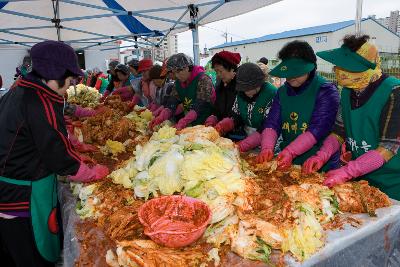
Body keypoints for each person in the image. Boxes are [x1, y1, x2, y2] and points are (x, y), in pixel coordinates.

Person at [0, 40, 109, 267]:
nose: (69, 87)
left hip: (9, 188)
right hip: (22, 195)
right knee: (32, 257)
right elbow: (58, 157)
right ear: (54, 73)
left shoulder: (20, 90)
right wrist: (92, 172)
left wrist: (74, 148)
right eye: (69, 80)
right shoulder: (39, 100)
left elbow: (42, 135)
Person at [312, 35, 400, 200]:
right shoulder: (347, 91)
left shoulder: (394, 92)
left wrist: (347, 171)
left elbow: (388, 148)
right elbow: (339, 131)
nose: (342, 72)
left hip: (393, 183)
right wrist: (322, 154)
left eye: (350, 68)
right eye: (340, 66)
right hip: (363, 178)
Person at [256, 40, 340, 171]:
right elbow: (272, 123)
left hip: (319, 164)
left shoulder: (326, 90)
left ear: (310, 68)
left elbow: (318, 129)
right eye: (287, 72)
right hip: (288, 162)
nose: (289, 77)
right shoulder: (282, 91)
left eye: (295, 72)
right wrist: (267, 147)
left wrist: (291, 151)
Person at [214, 62, 277, 152]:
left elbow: (268, 125)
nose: (246, 92)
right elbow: (236, 115)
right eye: (244, 89)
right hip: (249, 140)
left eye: (249, 88)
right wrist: (225, 124)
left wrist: (246, 144)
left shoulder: (271, 94)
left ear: (259, 84)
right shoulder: (241, 94)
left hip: (269, 145)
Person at [149, 53, 215, 130]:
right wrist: (161, 117)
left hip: (208, 123)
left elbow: (200, 105)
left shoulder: (203, 79)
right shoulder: (178, 83)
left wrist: (183, 121)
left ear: (187, 68)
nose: (176, 76)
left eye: (178, 72)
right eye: (174, 73)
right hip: (192, 123)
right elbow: (172, 102)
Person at [204, 51, 241, 132]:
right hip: (222, 131)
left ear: (232, 69)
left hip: (239, 133)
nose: (218, 75)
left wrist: (231, 121)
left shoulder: (241, 87)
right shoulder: (220, 86)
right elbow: (217, 108)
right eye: (216, 72)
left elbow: (242, 113)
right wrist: (213, 117)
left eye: (220, 71)